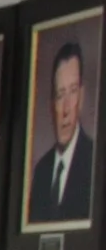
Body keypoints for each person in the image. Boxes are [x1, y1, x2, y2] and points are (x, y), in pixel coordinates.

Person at [28, 39, 93, 227]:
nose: (66, 109)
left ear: (81, 97)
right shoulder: (41, 172)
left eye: (72, 92)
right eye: (60, 95)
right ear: (51, 105)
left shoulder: (95, 161)